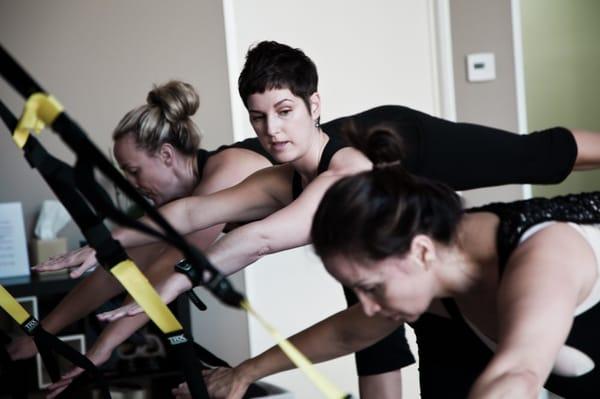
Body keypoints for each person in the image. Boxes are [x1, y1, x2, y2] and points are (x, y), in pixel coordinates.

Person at [94, 41, 600, 398]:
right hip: (393, 233)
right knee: (388, 328)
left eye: (286, 111)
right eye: (259, 118)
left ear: (314, 106)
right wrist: (102, 242)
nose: (272, 130)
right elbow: (193, 213)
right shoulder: (284, 183)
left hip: (416, 149)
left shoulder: (347, 168)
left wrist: (178, 282)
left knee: (535, 155)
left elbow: (262, 238)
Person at [169, 123, 600, 399]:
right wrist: (244, 373)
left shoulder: (544, 257)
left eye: (372, 288)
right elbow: (348, 331)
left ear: (421, 252)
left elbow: (518, 375)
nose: (368, 305)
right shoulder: (433, 276)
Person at [6, 80, 277, 397]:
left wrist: (101, 348)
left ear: (165, 155)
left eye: (134, 171)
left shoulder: (226, 171)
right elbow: (119, 269)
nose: (132, 184)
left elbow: (170, 265)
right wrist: (42, 334)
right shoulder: (177, 207)